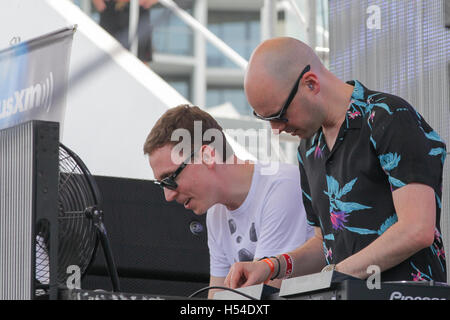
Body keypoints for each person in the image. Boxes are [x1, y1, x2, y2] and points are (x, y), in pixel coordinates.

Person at [224, 37, 447, 289]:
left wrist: (332, 276)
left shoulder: (390, 117)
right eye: (267, 120)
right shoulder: (308, 148)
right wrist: (273, 265)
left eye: (279, 116)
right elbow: (325, 242)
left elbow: (417, 229)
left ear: (311, 83)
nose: (276, 129)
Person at [143, 104, 314, 298]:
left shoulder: (282, 187)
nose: (168, 195)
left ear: (207, 156)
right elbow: (217, 296)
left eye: (170, 179)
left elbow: (260, 297)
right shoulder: (216, 212)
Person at [92, 0, 158, 62]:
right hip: (111, 9)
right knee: (106, 56)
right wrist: (99, 3)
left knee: (140, 59)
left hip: (138, 9)